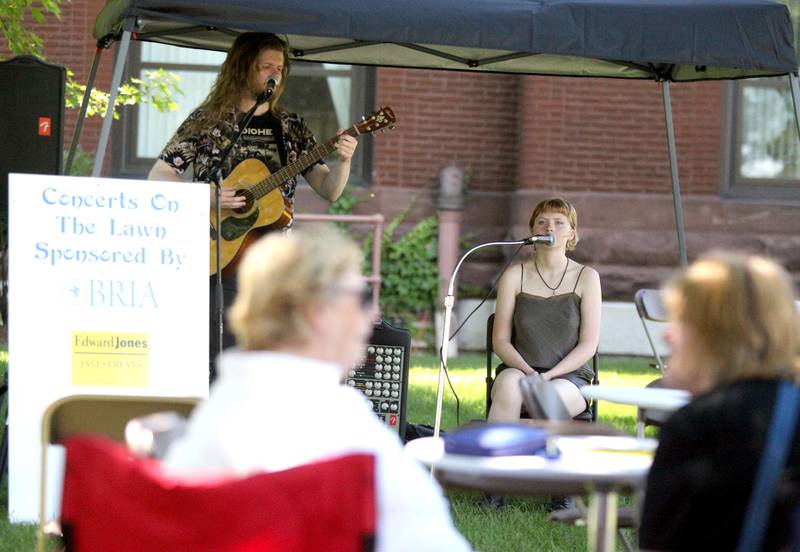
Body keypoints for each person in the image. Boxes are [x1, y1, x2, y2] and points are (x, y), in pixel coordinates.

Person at [163, 226, 472, 552]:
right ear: (318, 312)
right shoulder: (345, 427)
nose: (373, 316)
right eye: (363, 298)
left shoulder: (214, 415)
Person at [147, 33, 358, 376]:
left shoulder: (289, 127)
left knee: (266, 353)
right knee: (214, 355)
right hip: (217, 253)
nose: (275, 74)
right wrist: (210, 196)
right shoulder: (210, 120)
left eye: (280, 67)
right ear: (244, 68)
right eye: (266, 67)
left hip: (274, 261)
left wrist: (344, 162)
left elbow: (328, 189)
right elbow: (159, 175)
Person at [638, 251, 800, 551]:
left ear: (720, 333)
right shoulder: (786, 408)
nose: (667, 335)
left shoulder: (699, 425)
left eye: (683, 320)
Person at [487, 197, 601, 423]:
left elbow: (588, 344)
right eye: (542, 222)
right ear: (532, 231)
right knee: (509, 388)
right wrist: (530, 373)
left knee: (549, 401)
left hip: (569, 378)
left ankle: (526, 446)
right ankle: (493, 455)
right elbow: (500, 340)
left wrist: (548, 376)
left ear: (572, 233)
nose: (550, 227)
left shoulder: (587, 277)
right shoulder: (514, 275)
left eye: (559, 222)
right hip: (518, 370)